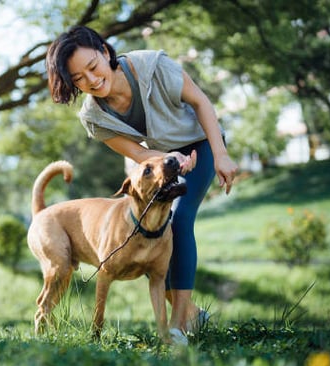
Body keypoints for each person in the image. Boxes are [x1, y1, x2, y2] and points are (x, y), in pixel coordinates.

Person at [46, 26, 238, 345]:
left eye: (92, 67)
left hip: (201, 143)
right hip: (158, 161)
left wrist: (220, 154)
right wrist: (169, 161)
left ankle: (179, 324)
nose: (91, 81)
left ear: (106, 53)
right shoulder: (93, 117)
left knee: (177, 219)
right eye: (78, 78)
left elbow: (201, 102)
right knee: (147, 233)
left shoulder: (152, 66)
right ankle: (192, 314)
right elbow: (138, 154)